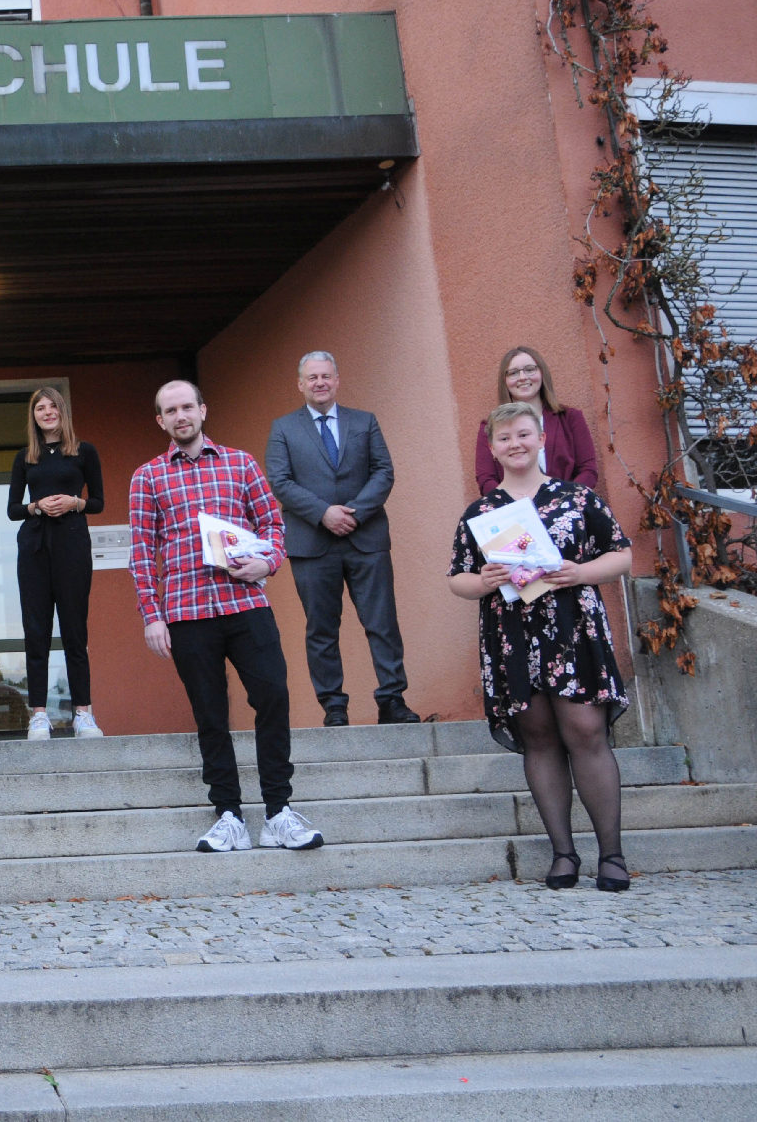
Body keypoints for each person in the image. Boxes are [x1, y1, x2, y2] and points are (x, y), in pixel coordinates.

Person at [129, 380, 325, 854]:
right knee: (210, 716)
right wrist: (152, 617)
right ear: (160, 420)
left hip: (246, 604)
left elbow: (273, 524)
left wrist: (269, 562)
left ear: (203, 410)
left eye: (187, 407)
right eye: (170, 410)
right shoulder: (147, 477)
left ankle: (278, 812)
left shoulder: (241, 464)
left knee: (273, 697)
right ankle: (229, 816)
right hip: (186, 611)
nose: (181, 416)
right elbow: (141, 552)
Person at [449, 401, 633, 892]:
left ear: (540, 438)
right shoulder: (481, 513)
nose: (516, 444)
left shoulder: (577, 498)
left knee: (585, 730)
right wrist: (483, 581)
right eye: (505, 438)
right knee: (540, 738)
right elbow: (458, 581)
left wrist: (582, 572)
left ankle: (611, 856)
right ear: (493, 449)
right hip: (512, 633)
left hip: (574, 628)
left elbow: (622, 553)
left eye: (523, 434)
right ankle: (563, 855)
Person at [264, 352, 419, 728]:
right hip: (311, 543)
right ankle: (334, 706)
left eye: (326, 376)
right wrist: (324, 513)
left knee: (382, 622)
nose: (320, 383)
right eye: (312, 377)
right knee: (321, 628)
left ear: (337, 380)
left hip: (365, 537)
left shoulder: (364, 422)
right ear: (300, 384)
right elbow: (280, 481)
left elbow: (384, 471)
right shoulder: (283, 428)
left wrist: (352, 512)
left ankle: (392, 699)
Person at [6, 386, 106, 740]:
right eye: (39, 408)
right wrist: (37, 507)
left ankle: (83, 713)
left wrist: (73, 502)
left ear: (62, 411)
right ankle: (39, 715)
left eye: (52, 407)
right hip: (34, 547)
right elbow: (12, 509)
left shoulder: (84, 452)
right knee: (36, 632)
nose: (47, 413)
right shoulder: (25, 457)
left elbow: (98, 502)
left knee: (75, 631)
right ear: (33, 416)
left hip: (72, 545)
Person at [474, 345, 600, 495]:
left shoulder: (570, 418)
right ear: (504, 381)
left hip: (569, 507)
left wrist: (562, 502)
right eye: (513, 373)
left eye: (529, 369)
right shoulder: (490, 427)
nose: (522, 377)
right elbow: (486, 480)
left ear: (542, 373)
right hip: (517, 515)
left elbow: (588, 469)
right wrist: (517, 506)